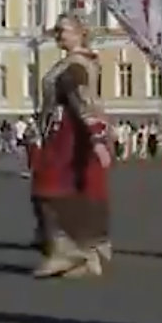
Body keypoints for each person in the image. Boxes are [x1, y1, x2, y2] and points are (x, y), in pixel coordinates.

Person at [29, 15, 112, 278]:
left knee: (49, 188)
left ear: (80, 33)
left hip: (68, 133)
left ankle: (64, 251)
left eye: (63, 30)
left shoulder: (75, 66)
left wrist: (96, 137)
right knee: (76, 190)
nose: (57, 35)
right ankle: (87, 257)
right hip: (67, 131)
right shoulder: (79, 61)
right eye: (57, 30)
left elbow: (80, 99)